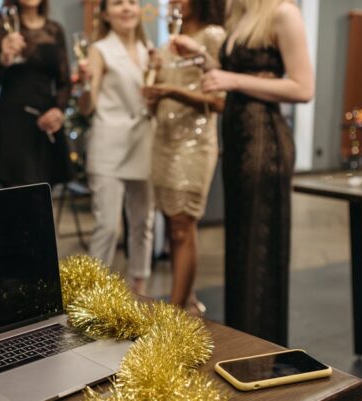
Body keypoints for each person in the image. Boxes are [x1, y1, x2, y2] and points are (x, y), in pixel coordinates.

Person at [175, 0, 314, 345]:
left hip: (264, 144)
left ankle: (263, 352)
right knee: (240, 249)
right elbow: (237, 74)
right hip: (239, 143)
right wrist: (204, 59)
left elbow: (302, 88)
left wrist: (230, 79)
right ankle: (246, 346)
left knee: (259, 251)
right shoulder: (240, 14)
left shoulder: (283, 13)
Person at [143, 0, 225, 314]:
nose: (175, 2)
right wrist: (152, 88)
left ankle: (176, 311)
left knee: (182, 224)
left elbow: (218, 101)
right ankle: (187, 301)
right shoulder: (165, 47)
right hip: (162, 141)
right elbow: (153, 100)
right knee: (171, 224)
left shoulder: (212, 37)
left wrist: (170, 92)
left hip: (195, 143)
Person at [78, 0, 154, 295]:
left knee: (143, 223)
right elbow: (87, 107)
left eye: (132, 2)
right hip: (109, 147)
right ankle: (92, 297)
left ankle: (140, 290)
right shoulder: (100, 50)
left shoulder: (151, 52)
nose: (126, 8)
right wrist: (85, 86)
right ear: (105, 14)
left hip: (144, 143)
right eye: (118, 3)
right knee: (108, 226)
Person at [0, 0, 73, 187]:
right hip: (11, 123)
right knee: (17, 198)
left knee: (43, 198)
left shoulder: (54, 29)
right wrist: (2, 59)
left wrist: (59, 111)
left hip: (46, 120)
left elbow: (64, 82)